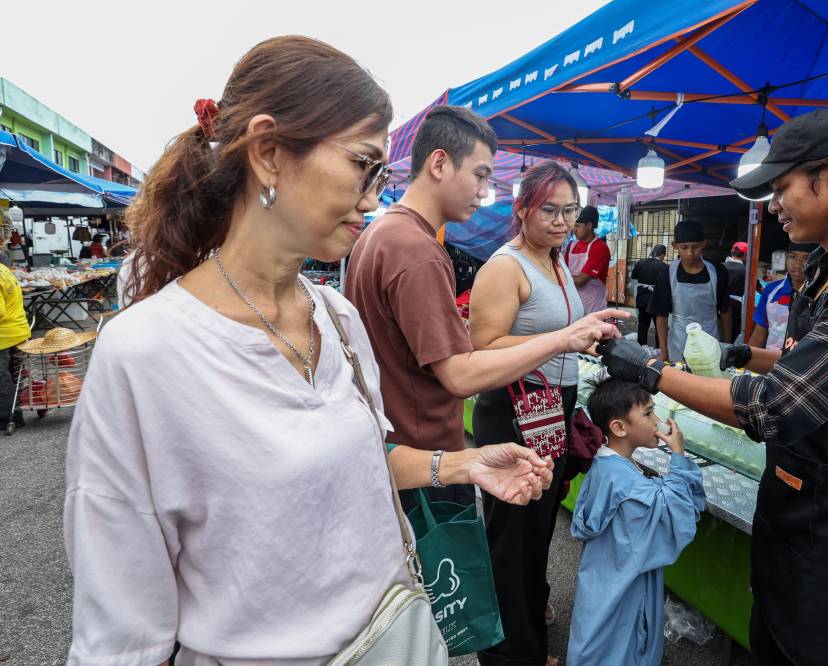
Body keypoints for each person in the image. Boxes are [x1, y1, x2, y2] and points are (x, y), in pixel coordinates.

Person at [64, 36, 556, 666]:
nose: (374, 197)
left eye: (380, 173)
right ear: (269, 153)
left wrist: (462, 466)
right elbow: (121, 636)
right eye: (361, 164)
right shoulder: (143, 355)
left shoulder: (339, 319)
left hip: (395, 642)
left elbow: (365, 460)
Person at [597, 108, 828, 666]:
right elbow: (810, 368)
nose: (774, 205)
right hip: (803, 519)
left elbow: (777, 407)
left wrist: (650, 370)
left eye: (783, 187)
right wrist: (744, 354)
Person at [346, 106, 625, 513]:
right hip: (424, 455)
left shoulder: (382, 232)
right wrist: (564, 339)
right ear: (440, 163)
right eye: (480, 175)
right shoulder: (417, 250)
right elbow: (460, 374)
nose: (484, 191)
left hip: (398, 446)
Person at [468, 161, 586, 666]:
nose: (561, 221)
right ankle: (508, 653)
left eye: (571, 211)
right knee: (513, 533)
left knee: (538, 524)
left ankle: (527, 616)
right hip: (516, 407)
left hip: (552, 405)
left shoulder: (556, 260)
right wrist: (563, 339)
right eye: (550, 210)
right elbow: (484, 347)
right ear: (521, 210)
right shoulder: (504, 266)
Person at [567, 377, 705, 666]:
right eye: (648, 413)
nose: (657, 422)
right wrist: (678, 456)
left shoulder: (607, 467)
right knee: (622, 648)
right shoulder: (626, 483)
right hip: (625, 590)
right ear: (619, 427)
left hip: (602, 582)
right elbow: (677, 513)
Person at [648, 220, 732, 362]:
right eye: (684, 247)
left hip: (710, 339)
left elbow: (725, 311)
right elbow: (661, 316)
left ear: (704, 244)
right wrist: (664, 352)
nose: (690, 253)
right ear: (675, 246)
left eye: (696, 247)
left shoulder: (718, 271)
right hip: (678, 342)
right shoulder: (667, 274)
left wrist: (728, 346)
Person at [747, 242, 818, 350]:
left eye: (806, 258)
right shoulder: (771, 290)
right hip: (769, 363)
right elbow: (759, 333)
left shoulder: (820, 293)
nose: (798, 265)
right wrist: (748, 362)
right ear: (786, 256)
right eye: (793, 257)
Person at [564, 205, 611, 314]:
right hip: (573, 305)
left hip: (593, 307)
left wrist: (561, 278)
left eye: (578, 226)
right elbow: (564, 272)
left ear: (589, 226)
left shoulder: (600, 248)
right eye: (573, 226)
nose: (574, 230)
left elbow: (580, 281)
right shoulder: (571, 246)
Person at [0, 262, 30, 431]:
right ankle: (16, 414)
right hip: (17, 329)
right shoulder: (3, 268)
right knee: (14, 375)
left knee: (3, 376)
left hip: (4, 334)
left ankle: (6, 418)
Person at [631, 244, 667, 347]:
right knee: (659, 326)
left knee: (643, 325)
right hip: (657, 301)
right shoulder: (663, 266)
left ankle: (641, 348)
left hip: (642, 299)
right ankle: (659, 349)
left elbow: (634, 278)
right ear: (662, 255)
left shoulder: (640, 263)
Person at [725, 241, 747, 340]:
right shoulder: (746, 270)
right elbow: (759, 289)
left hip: (719, 305)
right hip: (736, 307)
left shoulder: (720, 268)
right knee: (733, 334)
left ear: (731, 251)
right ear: (745, 255)